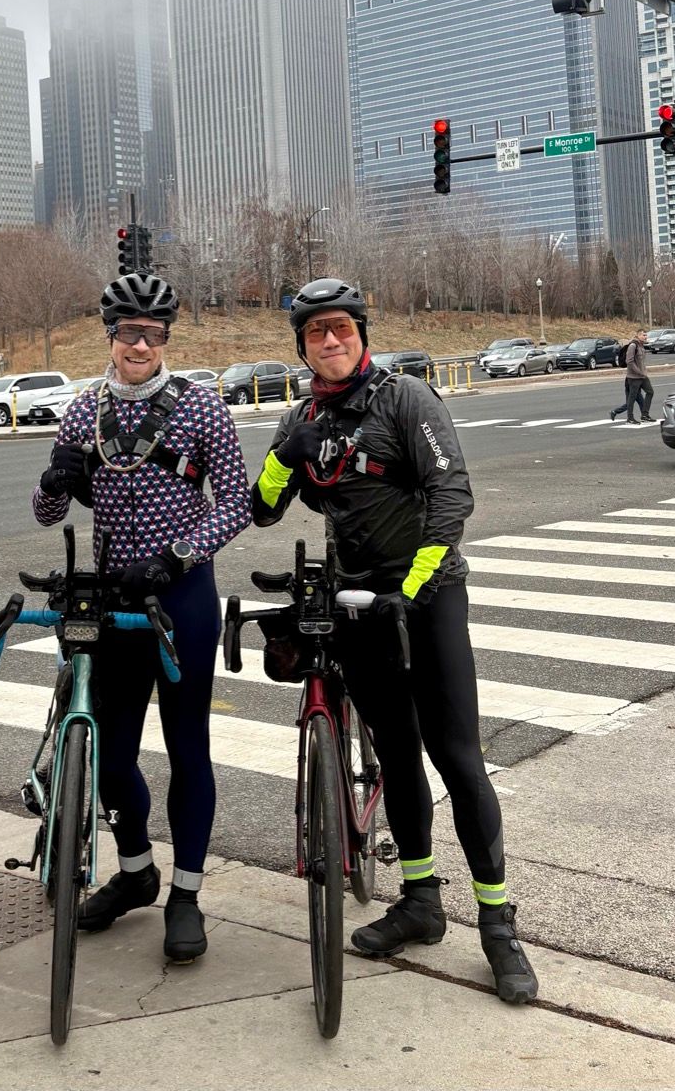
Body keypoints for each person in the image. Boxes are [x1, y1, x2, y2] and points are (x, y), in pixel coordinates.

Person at [250, 278, 538, 1004]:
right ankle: (419, 902)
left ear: (361, 334)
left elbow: (451, 496)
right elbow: (263, 508)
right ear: (302, 347)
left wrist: (407, 593)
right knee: (398, 758)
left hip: (424, 597)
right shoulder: (300, 416)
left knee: (457, 758)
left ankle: (497, 926)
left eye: (341, 328)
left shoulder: (406, 399)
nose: (330, 340)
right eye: (316, 332)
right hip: (355, 604)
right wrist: (287, 454)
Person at [32, 273, 251, 963]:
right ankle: (135, 872)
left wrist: (177, 556)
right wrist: (54, 480)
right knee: (110, 755)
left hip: (181, 596)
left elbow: (236, 503)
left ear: (165, 340)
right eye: (129, 332)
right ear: (110, 336)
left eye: (153, 334)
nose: (140, 345)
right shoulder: (82, 410)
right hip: (112, 598)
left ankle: (185, 896)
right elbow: (45, 513)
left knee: (188, 747)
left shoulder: (201, 406)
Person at [609, 330, 655, 424]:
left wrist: (643, 372)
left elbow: (641, 362)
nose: (645, 337)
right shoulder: (633, 346)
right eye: (643, 335)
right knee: (632, 398)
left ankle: (644, 415)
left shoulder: (641, 346)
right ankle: (630, 418)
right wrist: (639, 372)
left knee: (650, 392)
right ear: (638, 335)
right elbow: (629, 361)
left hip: (642, 376)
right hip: (633, 377)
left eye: (646, 335)